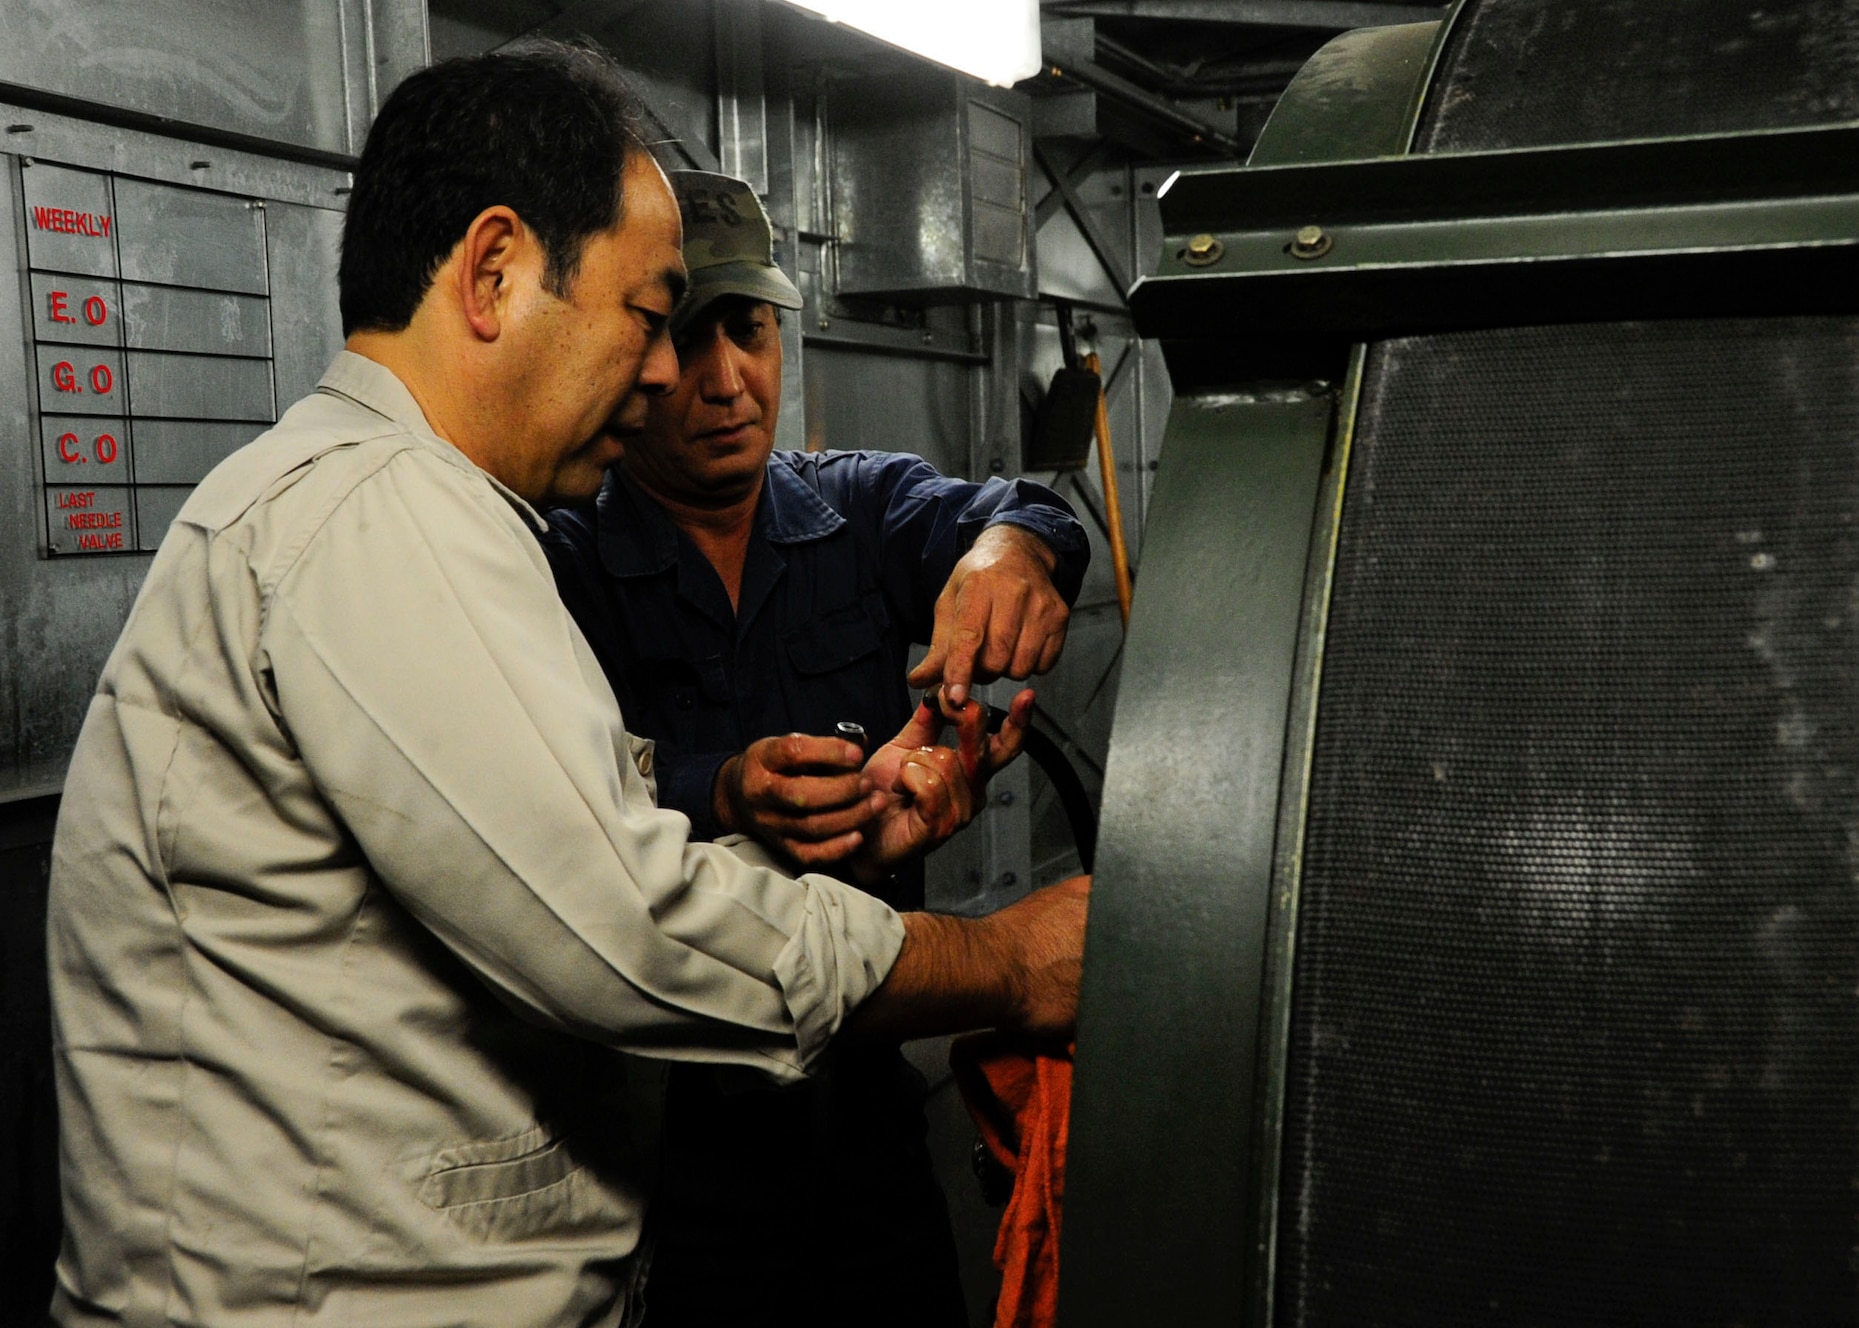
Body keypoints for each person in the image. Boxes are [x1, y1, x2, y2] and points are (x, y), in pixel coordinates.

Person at [44, 45, 1086, 1328]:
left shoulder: (389, 506)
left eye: (730, 330)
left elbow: (576, 857)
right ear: (493, 273)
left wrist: (843, 825)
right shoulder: (383, 516)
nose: (668, 375)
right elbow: (631, 930)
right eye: (649, 318)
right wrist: (1002, 958)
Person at [540, 171, 1089, 1325]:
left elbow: (1024, 511)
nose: (726, 379)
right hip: (667, 1156)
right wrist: (722, 787)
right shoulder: (562, 559)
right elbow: (551, 807)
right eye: (689, 336)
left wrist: (1009, 553)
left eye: (749, 331)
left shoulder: (859, 507)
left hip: (865, 1114)